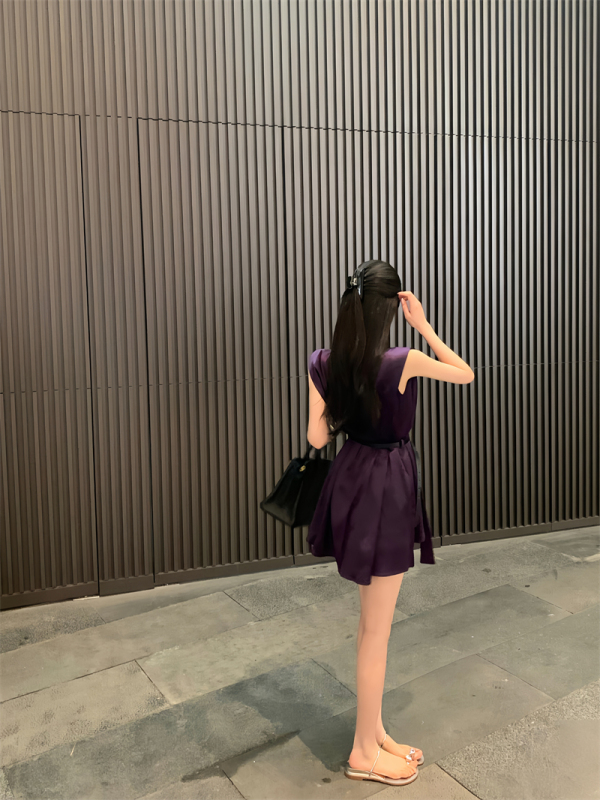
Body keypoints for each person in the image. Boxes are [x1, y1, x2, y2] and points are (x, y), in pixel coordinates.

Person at [306, 260, 475, 787]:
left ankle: (374, 731)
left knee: (369, 624)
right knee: (377, 630)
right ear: (391, 308)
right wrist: (424, 326)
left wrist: (343, 397)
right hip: (386, 487)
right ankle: (363, 753)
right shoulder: (404, 359)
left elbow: (317, 439)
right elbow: (465, 373)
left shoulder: (324, 361)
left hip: (351, 482)